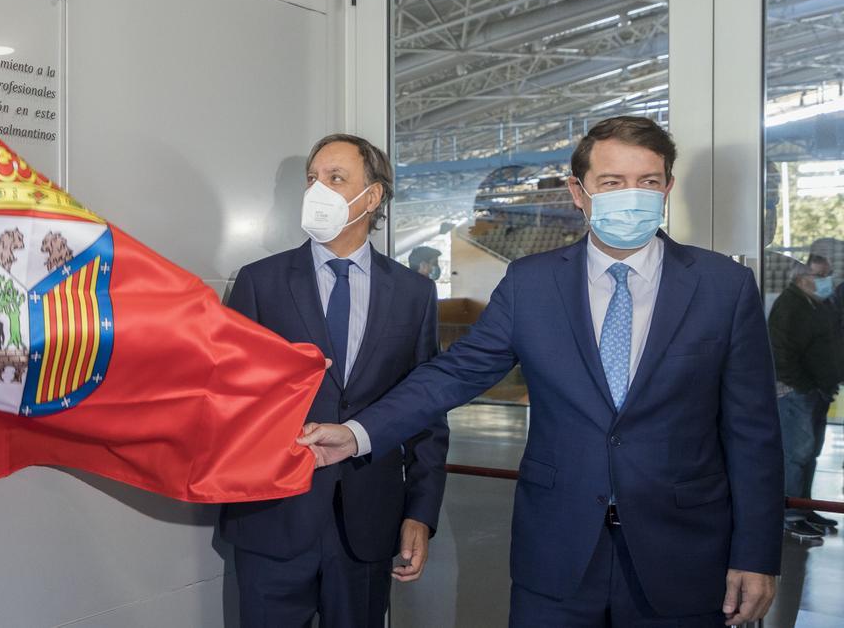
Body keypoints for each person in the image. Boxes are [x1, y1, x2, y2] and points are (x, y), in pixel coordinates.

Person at [297, 117, 783, 626]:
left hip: (684, 553)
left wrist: (756, 553)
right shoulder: (532, 284)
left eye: (648, 182)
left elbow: (753, 432)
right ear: (579, 191)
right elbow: (451, 375)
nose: (632, 196)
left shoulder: (723, 287)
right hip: (557, 552)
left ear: (668, 188)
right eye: (612, 182)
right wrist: (356, 435)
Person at [220, 134, 449, 628]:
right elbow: (227, 396)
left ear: (373, 197)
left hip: (367, 526)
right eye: (312, 179)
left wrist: (421, 513)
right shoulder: (261, 282)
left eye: (335, 178)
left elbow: (426, 412)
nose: (316, 190)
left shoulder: (414, 293)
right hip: (272, 521)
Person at [768, 253, 843, 540]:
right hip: (797, 392)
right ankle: (791, 513)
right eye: (821, 276)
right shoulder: (790, 307)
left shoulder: (818, 304)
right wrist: (804, 386)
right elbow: (782, 354)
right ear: (802, 278)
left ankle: (805, 507)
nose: (827, 282)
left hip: (817, 390)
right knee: (796, 455)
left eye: (828, 274)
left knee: (810, 453)